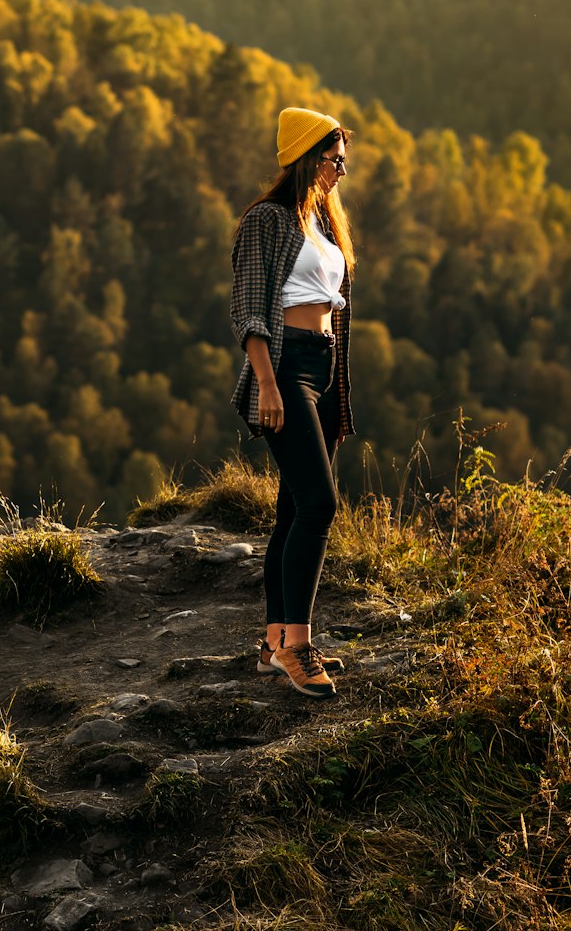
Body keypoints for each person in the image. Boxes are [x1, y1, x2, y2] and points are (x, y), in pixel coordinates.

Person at [227, 107, 357, 697]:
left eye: (344, 161)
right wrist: (268, 384)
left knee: (293, 510)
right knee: (320, 506)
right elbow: (251, 307)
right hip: (284, 368)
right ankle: (298, 649)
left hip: (323, 368)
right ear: (307, 156)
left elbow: (332, 303)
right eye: (334, 159)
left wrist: (335, 389)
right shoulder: (268, 221)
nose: (341, 170)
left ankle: (276, 640)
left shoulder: (324, 225)